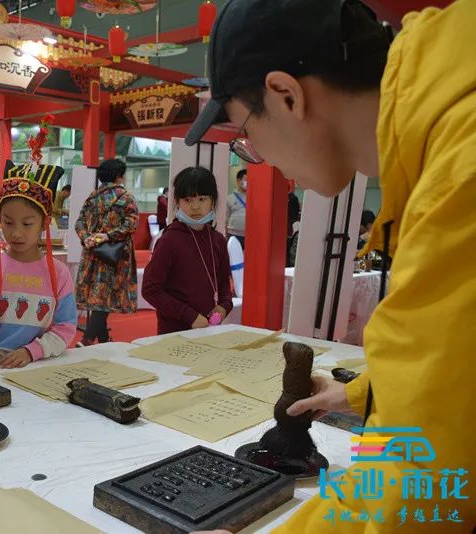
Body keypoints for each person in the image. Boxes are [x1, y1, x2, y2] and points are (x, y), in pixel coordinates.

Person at [185, 0, 475, 532]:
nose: (260, 158)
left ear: (286, 94)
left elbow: (420, 488)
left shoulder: (462, 175)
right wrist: (362, 392)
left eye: (246, 136)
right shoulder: (446, 138)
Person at [0, 129, 77, 370]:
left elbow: (65, 327)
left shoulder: (59, 273)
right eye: (8, 223)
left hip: (38, 367)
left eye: (27, 224)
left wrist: (32, 351)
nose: (16, 233)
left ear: (44, 223)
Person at [143, 167, 233, 335]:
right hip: (174, 332)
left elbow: (223, 285)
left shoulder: (218, 239)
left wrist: (224, 306)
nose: (195, 206)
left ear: (212, 201)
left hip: (210, 330)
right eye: (188, 199)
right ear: (178, 202)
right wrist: (190, 316)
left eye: (202, 199)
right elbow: (151, 290)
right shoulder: (169, 240)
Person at [75, 158, 139, 346]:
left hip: (93, 254)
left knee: (98, 298)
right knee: (106, 298)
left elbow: (79, 222)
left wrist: (87, 237)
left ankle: (102, 340)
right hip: (115, 255)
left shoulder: (92, 197)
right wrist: (108, 236)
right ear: (119, 176)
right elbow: (131, 224)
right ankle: (87, 339)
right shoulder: (125, 197)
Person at [226, 169, 246, 248]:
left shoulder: (252, 197)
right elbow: (227, 217)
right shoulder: (230, 198)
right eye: (246, 180)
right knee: (233, 257)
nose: (247, 183)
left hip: (249, 234)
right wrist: (226, 234)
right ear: (238, 180)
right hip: (233, 233)